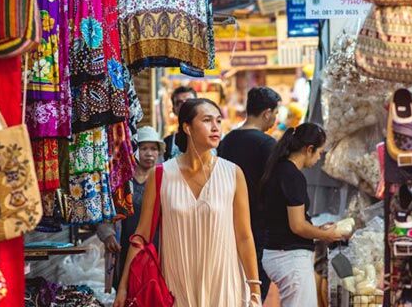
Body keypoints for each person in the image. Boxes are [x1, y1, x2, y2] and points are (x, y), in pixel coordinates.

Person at [115, 98, 261, 307]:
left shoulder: (233, 173)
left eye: (219, 121)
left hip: (225, 284)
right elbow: (141, 235)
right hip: (177, 286)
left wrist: (254, 290)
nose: (215, 127)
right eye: (207, 120)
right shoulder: (161, 174)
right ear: (187, 127)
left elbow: (245, 237)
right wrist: (123, 288)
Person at [260, 123, 346, 307]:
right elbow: (297, 225)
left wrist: (316, 229)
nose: (319, 157)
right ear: (309, 149)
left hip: (279, 252)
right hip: (289, 257)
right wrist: (325, 235)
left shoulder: (279, 169)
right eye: (319, 152)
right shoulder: (292, 175)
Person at [217, 86, 281, 300]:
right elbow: (276, 189)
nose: (275, 119)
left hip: (227, 223)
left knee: (232, 285)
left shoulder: (226, 141)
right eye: (276, 113)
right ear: (267, 113)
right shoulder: (268, 144)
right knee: (255, 288)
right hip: (258, 228)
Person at [115, 126, 164, 288]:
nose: (149, 153)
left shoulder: (164, 180)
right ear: (135, 151)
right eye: (144, 148)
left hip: (155, 246)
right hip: (126, 244)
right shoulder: (125, 181)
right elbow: (111, 211)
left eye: (153, 149)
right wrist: (108, 235)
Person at [163, 86, 197, 160]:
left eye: (189, 101)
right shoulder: (167, 144)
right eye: (179, 102)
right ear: (173, 109)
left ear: (198, 106)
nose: (184, 105)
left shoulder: (213, 139)